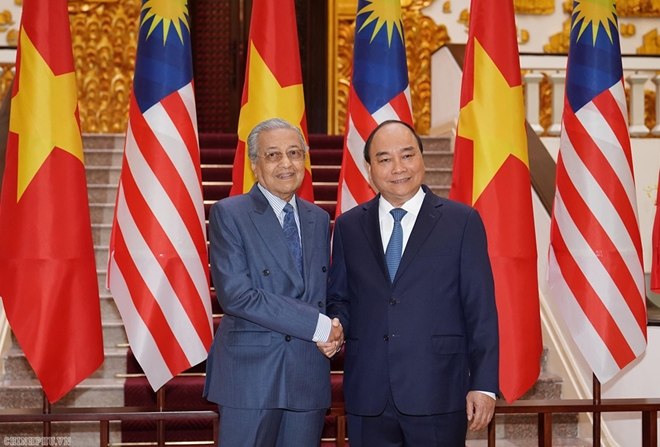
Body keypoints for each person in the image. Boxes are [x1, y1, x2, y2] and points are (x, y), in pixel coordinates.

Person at [323, 120, 499, 447]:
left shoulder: (462, 221)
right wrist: (336, 326)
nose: (398, 168)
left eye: (407, 155)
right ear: (369, 169)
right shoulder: (348, 226)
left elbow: (481, 309)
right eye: (385, 159)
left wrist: (484, 384)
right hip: (368, 394)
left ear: (422, 158)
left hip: (438, 390)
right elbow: (341, 298)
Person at [203, 118, 343, 447]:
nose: (286, 163)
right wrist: (319, 326)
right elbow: (237, 296)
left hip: (307, 371)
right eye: (273, 155)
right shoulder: (229, 213)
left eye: (294, 153)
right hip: (250, 374)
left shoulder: (318, 218)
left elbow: (321, 292)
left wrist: (337, 330)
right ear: (254, 164)